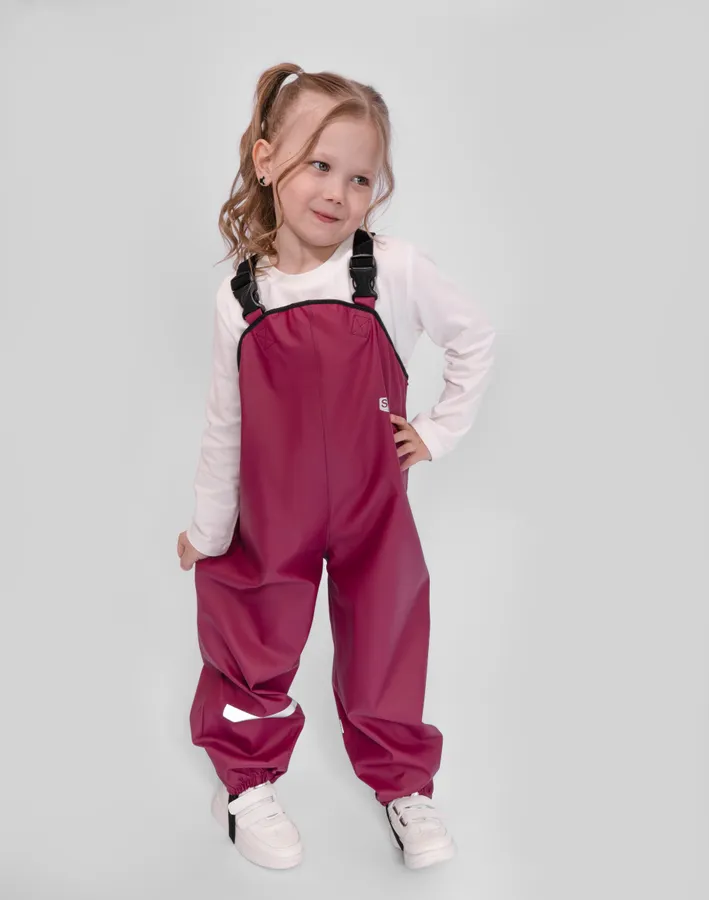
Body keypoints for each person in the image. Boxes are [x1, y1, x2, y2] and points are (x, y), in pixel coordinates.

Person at [176, 62, 496, 872]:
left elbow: (474, 338)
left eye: (360, 177)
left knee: (388, 643)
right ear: (265, 159)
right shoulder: (240, 298)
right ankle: (245, 782)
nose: (339, 192)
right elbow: (224, 426)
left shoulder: (390, 269)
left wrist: (436, 432)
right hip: (269, 517)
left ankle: (403, 786)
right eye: (319, 164)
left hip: (372, 512)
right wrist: (207, 531)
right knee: (251, 644)